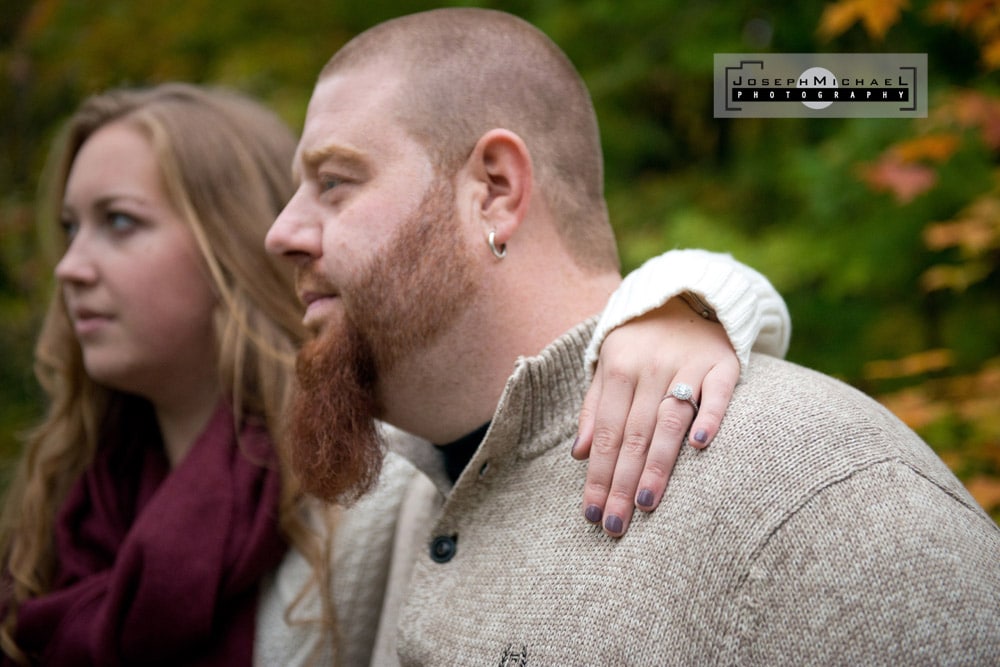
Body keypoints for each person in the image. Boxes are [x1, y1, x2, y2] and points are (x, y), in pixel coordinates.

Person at [265, 7, 1000, 665]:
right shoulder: (395, 494)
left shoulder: (824, 507)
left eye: (334, 180)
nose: (281, 233)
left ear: (494, 186)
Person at [0, 83, 789, 664]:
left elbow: (524, 386)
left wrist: (681, 302)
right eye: (70, 228)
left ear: (234, 239)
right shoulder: (65, 501)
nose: (70, 266)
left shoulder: (363, 466)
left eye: (120, 222)